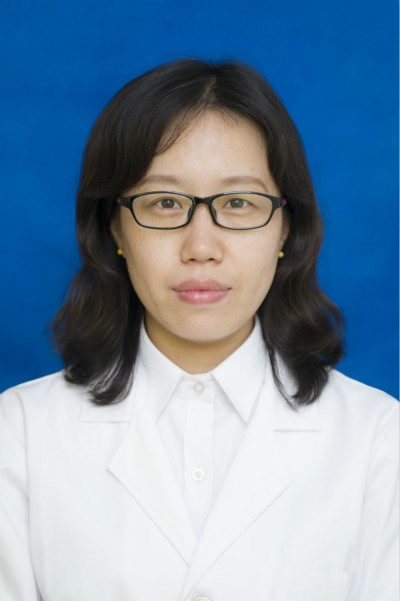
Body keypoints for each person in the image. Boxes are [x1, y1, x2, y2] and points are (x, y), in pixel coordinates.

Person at [0, 58, 398, 601]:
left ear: (287, 227)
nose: (202, 247)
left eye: (239, 203)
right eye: (165, 203)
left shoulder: (379, 438)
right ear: (113, 227)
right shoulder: (19, 434)